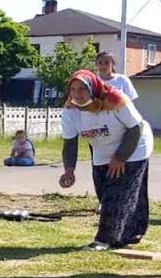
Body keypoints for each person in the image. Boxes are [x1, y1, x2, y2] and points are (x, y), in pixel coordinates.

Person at [57, 70, 154, 250]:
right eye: (73, 89)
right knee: (105, 191)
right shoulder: (70, 111)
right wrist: (69, 169)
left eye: (82, 89)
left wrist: (120, 157)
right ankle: (130, 234)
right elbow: (70, 142)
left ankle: (104, 240)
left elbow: (135, 128)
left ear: (92, 87)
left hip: (134, 145)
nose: (77, 94)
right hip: (102, 150)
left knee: (117, 193)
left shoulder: (115, 100)